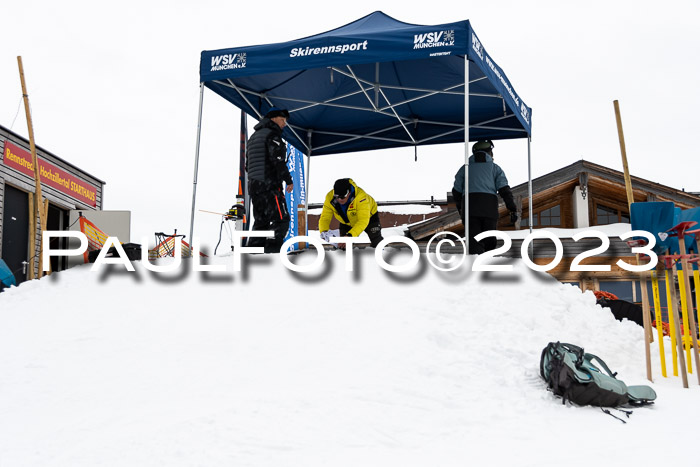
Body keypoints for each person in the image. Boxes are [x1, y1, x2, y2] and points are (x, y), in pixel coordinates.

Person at [452, 140, 518, 254]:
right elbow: (505, 190)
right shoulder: (495, 168)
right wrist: (512, 209)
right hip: (489, 209)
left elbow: (456, 192)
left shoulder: (465, 168)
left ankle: (474, 267)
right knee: (489, 241)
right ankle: (488, 266)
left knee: (473, 242)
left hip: (470, 208)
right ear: (489, 153)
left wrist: (460, 209)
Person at [245, 107, 294, 253]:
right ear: (273, 119)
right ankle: (272, 254)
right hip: (270, 185)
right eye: (283, 120)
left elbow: (248, 165)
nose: (285, 124)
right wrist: (288, 179)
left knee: (261, 222)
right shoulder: (272, 135)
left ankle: (253, 254)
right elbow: (277, 160)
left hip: (254, 187)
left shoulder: (253, 137)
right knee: (282, 219)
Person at [318, 178, 384, 248]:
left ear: (349, 193)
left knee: (376, 241)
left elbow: (363, 220)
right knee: (343, 246)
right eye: (337, 197)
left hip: (369, 217)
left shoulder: (361, 197)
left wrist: (350, 235)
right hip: (346, 221)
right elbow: (325, 218)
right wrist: (324, 232)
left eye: (342, 197)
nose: (339, 200)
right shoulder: (330, 198)